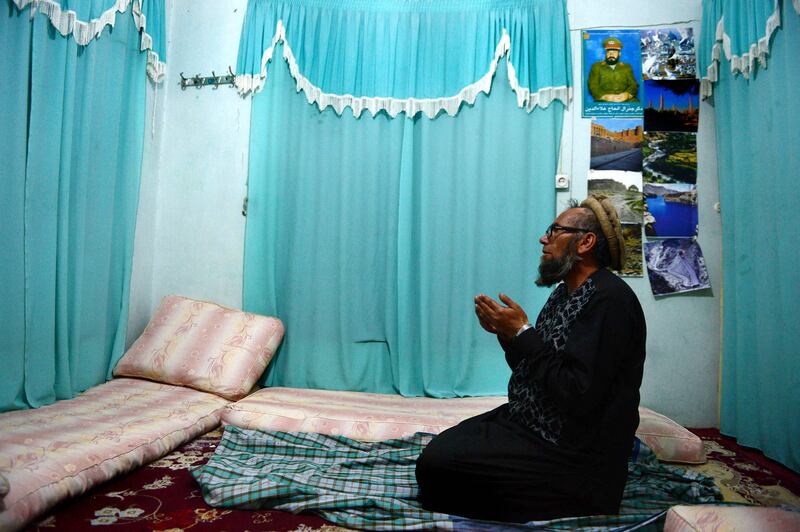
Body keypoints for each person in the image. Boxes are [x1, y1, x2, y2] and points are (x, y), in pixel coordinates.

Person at [415, 196, 646, 522]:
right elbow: (538, 369)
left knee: (437, 470)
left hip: (572, 453)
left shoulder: (610, 300)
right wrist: (509, 337)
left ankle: (579, 500)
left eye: (554, 231)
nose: (544, 238)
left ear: (585, 243)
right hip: (529, 422)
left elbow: (577, 394)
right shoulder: (564, 293)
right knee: (439, 452)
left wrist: (524, 333)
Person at [588, 37, 639, 103]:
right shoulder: (596, 67)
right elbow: (593, 85)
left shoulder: (627, 67)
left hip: (626, 100)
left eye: (614, 52)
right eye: (609, 52)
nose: (611, 55)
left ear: (619, 53)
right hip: (604, 101)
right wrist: (605, 96)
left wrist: (627, 94)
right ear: (605, 53)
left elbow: (634, 85)